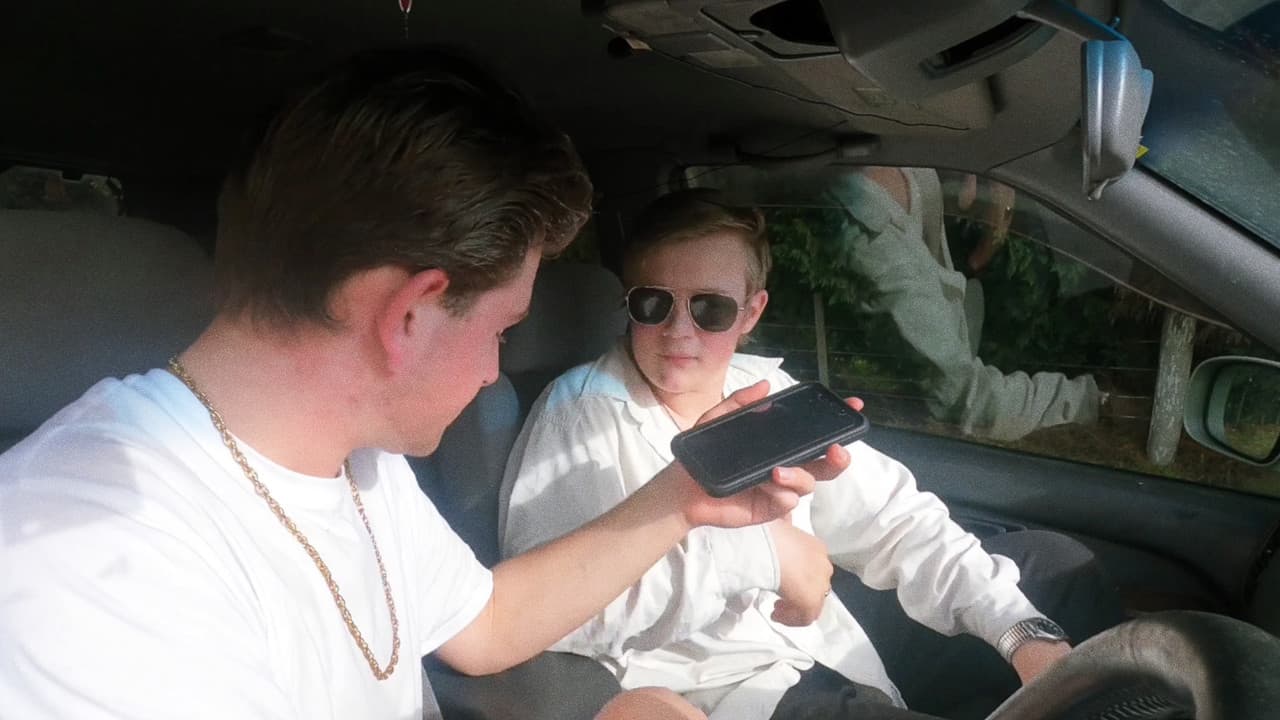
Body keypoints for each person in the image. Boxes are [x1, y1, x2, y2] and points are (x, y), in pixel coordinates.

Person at [0, 47, 850, 720]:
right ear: (409, 313)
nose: (493, 372)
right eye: (502, 331)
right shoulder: (88, 560)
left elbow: (486, 626)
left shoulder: (356, 464)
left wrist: (682, 498)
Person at [501, 188, 1124, 720]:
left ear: (751, 312)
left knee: (1059, 572)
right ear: (629, 302)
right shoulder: (581, 415)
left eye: (711, 308)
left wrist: (1022, 634)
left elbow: (896, 522)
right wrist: (763, 558)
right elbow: (549, 616)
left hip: (826, 644)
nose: (679, 330)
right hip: (731, 692)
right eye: (653, 303)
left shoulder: (765, 392)